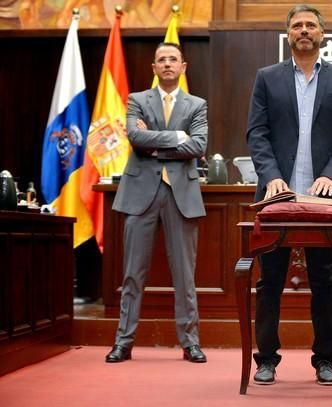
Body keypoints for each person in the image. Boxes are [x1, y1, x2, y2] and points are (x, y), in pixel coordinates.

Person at [246, 4, 332, 386]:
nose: (304, 30)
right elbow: (257, 133)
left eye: (311, 25)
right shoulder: (267, 78)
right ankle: (265, 360)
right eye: (297, 25)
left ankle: (325, 360)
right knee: (269, 282)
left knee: (325, 281)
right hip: (276, 195)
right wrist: (271, 176)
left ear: (322, 34)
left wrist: (331, 173)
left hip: (323, 198)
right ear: (288, 34)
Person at [105, 42, 208, 364]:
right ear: (154, 68)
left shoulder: (197, 104)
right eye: (161, 60)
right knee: (133, 274)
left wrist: (157, 142)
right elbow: (135, 139)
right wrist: (179, 137)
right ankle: (123, 341)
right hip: (140, 194)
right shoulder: (137, 99)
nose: (167, 64)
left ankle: (190, 342)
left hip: (181, 196)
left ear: (183, 66)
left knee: (185, 275)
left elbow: (200, 145)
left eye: (172, 59)